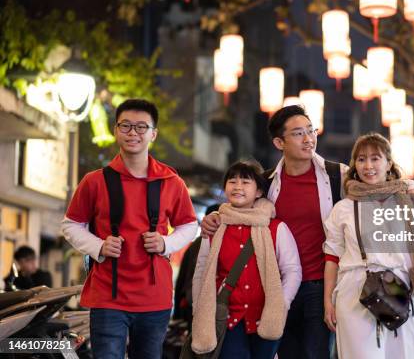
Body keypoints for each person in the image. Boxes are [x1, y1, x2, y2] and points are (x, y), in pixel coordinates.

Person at [201, 105, 348, 359]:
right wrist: (215, 217)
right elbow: (241, 211)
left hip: (321, 287)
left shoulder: (338, 176)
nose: (309, 138)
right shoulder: (267, 183)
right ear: (279, 142)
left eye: (311, 131)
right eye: (299, 133)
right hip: (276, 287)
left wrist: (409, 186)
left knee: (317, 354)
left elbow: (377, 184)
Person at [61, 99, 198, 359]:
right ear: (115, 130)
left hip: (154, 296)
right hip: (107, 297)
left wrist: (165, 243)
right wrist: (99, 246)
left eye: (141, 127)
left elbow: (189, 225)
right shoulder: (94, 181)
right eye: (125, 126)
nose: (133, 133)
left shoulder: (171, 181)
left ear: (153, 134)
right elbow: (71, 225)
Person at [322, 133, 414, 358]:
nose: (368, 166)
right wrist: (329, 300)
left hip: (401, 291)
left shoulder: (407, 202)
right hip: (355, 291)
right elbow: (332, 256)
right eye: (361, 159)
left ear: (388, 164)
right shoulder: (343, 208)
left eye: (375, 158)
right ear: (354, 166)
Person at [191, 161, 302, 358]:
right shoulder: (215, 227)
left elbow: (292, 270)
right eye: (232, 181)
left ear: (259, 191)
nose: (238, 187)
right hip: (228, 320)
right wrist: (199, 311)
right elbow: (202, 271)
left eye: (245, 182)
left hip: (267, 319)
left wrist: (281, 304)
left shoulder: (276, 228)